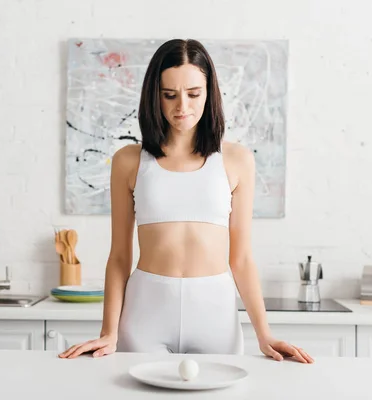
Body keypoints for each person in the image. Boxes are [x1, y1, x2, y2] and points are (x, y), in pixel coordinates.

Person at [59, 38, 314, 364]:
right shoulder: (129, 161)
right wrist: (108, 331)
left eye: (194, 94)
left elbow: (242, 258)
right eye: (170, 95)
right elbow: (120, 256)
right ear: (155, 96)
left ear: (209, 94)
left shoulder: (237, 160)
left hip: (214, 314)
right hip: (145, 312)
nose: (183, 106)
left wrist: (265, 334)